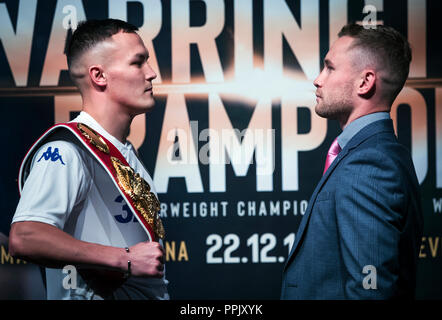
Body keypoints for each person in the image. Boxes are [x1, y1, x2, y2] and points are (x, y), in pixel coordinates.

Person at [9, 19, 168, 300]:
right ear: (99, 76)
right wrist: (125, 259)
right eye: (138, 62)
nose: (152, 73)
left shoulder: (127, 154)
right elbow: (25, 237)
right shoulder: (68, 151)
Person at [281, 23, 423, 299]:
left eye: (330, 68)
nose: (318, 79)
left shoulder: (370, 166)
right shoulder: (377, 154)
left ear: (365, 82)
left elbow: (370, 291)